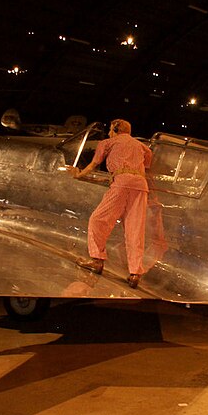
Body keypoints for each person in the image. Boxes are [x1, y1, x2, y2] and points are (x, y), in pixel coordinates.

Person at [71, 119, 152, 288]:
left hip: (121, 183)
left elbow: (94, 164)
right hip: (141, 185)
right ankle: (135, 273)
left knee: (97, 220)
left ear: (115, 129)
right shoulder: (140, 145)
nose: (108, 131)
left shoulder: (107, 142)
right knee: (135, 228)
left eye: (110, 129)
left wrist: (78, 174)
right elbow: (149, 157)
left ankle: (97, 260)